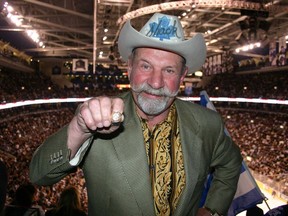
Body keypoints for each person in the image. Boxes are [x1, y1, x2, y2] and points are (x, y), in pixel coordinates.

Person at [29, 13, 242, 216]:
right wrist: (78, 130)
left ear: (183, 76)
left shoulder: (207, 123)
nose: (155, 83)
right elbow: (39, 175)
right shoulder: (98, 117)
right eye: (146, 66)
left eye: (169, 70)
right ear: (129, 67)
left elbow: (231, 163)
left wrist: (213, 209)